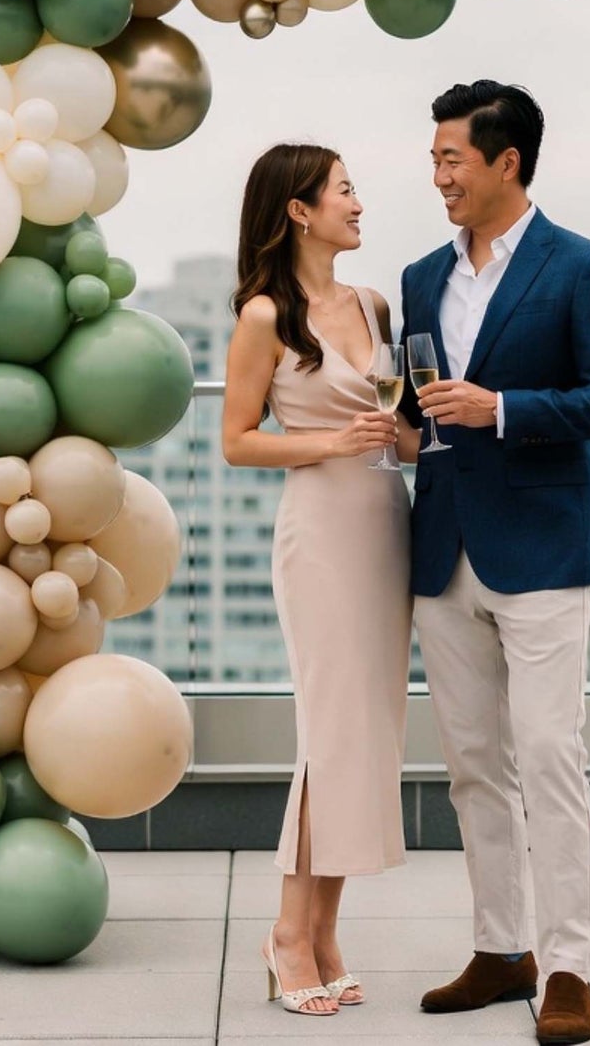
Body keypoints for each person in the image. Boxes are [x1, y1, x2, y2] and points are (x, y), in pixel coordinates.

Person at [399, 80, 590, 1046]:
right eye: (433, 159)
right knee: (471, 764)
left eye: (450, 157)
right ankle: (501, 949)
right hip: (442, 546)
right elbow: (418, 404)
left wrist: (499, 408)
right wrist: (394, 424)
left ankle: (569, 963)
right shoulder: (421, 275)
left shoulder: (582, 265)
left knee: (547, 754)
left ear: (507, 161)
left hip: (542, 547)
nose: (437, 175)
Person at [223, 142, 418, 1017]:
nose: (358, 202)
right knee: (329, 736)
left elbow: (399, 428)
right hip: (322, 534)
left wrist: (438, 424)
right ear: (299, 209)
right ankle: (286, 933)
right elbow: (237, 440)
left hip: (385, 522)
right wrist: (330, 441)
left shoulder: (373, 304)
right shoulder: (264, 315)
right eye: (344, 189)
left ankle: (324, 932)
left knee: (366, 735)